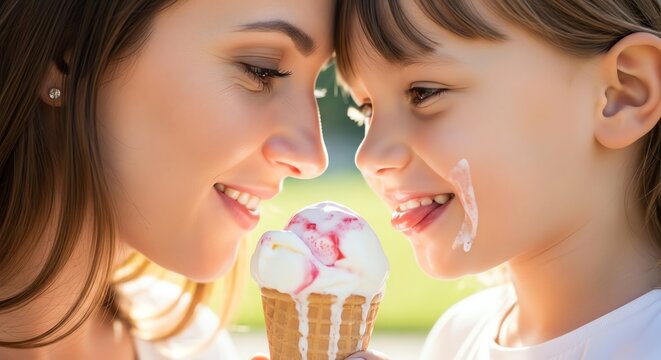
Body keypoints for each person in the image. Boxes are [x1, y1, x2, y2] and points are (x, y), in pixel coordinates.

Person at [0, 0, 334, 358]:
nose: (314, 158)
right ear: (68, 57)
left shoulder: (194, 346)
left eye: (316, 89)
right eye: (262, 70)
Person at [335, 0, 661, 358]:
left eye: (423, 92)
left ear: (623, 93)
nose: (368, 157)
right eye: (365, 108)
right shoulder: (456, 337)